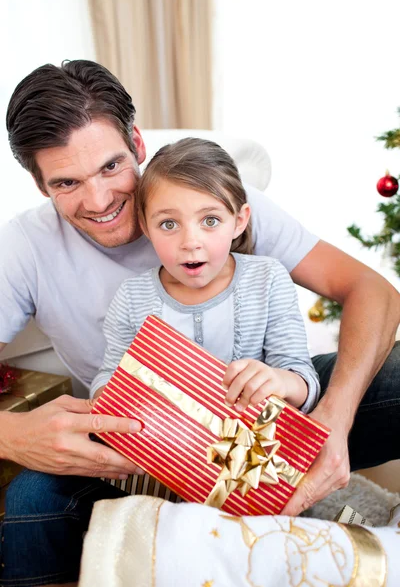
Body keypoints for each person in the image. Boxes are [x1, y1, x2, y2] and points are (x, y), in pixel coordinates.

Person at [0, 60, 398, 587]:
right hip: (140, 441)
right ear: (38, 183)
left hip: (265, 419)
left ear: (136, 143)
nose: (99, 201)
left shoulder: (210, 197)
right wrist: (11, 434)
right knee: (29, 501)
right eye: (67, 182)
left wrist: (334, 417)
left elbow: (373, 290)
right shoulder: (24, 248)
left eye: (111, 167)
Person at [90, 137, 320, 424]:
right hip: (169, 449)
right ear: (146, 226)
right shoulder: (131, 297)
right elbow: (110, 375)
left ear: (239, 220)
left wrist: (280, 381)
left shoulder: (268, 280)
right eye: (169, 224)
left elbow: (302, 379)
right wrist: (106, 397)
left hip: (250, 452)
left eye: (210, 221)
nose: (190, 242)